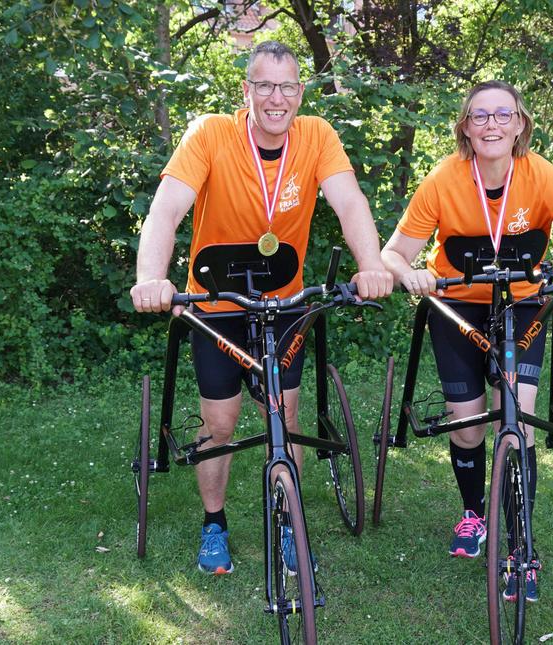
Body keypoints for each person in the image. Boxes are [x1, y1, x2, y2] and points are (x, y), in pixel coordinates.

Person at [130, 41, 393, 575]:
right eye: (266, 86)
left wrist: (371, 265)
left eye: (287, 86)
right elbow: (166, 211)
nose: (277, 98)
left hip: (282, 303)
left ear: (301, 92)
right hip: (215, 303)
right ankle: (214, 523)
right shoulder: (210, 134)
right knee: (221, 423)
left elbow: (350, 202)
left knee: (284, 415)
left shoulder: (317, 136)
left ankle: (288, 523)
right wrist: (150, 278)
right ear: (246, 90)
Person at [381, 80, 553, 602]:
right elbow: (391, 253)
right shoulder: (443, 180)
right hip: (457, 305)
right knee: (468, 428)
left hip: (521, 303)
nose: (491, 124)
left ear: (519, 125)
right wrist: (409, 272)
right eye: (480, 116)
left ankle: (521, 548)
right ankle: (472, 514)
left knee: (517, 424)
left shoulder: (543, 176)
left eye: (502, 115)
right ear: (466, 128)